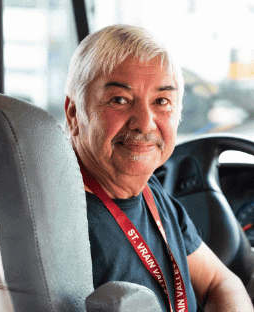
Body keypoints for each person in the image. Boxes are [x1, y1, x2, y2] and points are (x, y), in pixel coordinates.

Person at [64, 24, 253, 312]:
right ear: (74, 113)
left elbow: (220, 281)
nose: (144, 122)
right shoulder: (64, 223)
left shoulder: (148, 191)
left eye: (161, 101)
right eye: (120, 100)